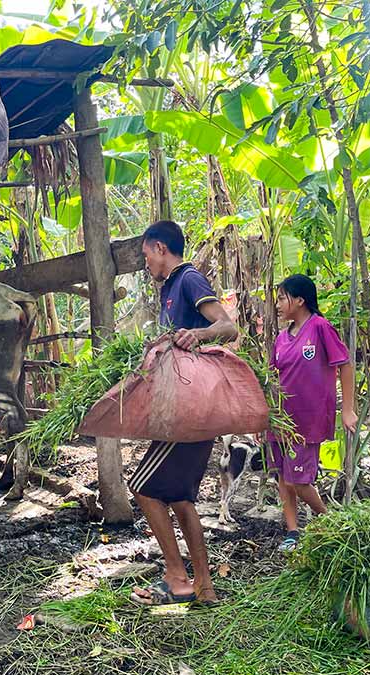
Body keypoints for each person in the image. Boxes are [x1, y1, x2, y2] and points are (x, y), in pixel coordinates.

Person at [129, 221, 238, 609]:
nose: (147, 264)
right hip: (188, 409)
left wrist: (200, 335)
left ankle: (177, 577)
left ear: (160, 248)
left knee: (142, 487)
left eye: (146, 256)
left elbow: (227, 326)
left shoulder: (188, 279)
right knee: (180, 498)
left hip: (188, 411)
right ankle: (204, 587)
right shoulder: (170, 291)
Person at [270, 274, 358, 552]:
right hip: (280, 419)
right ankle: (293, 531)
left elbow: (345, 365)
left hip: (307, 419)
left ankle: (329, 520)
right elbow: (272, 376)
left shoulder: (320, 327)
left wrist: (347, 409)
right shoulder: (282, 338)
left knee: (299, 480)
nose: (279, 304)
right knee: (283, 477)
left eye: (283, 297)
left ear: (300, 300)